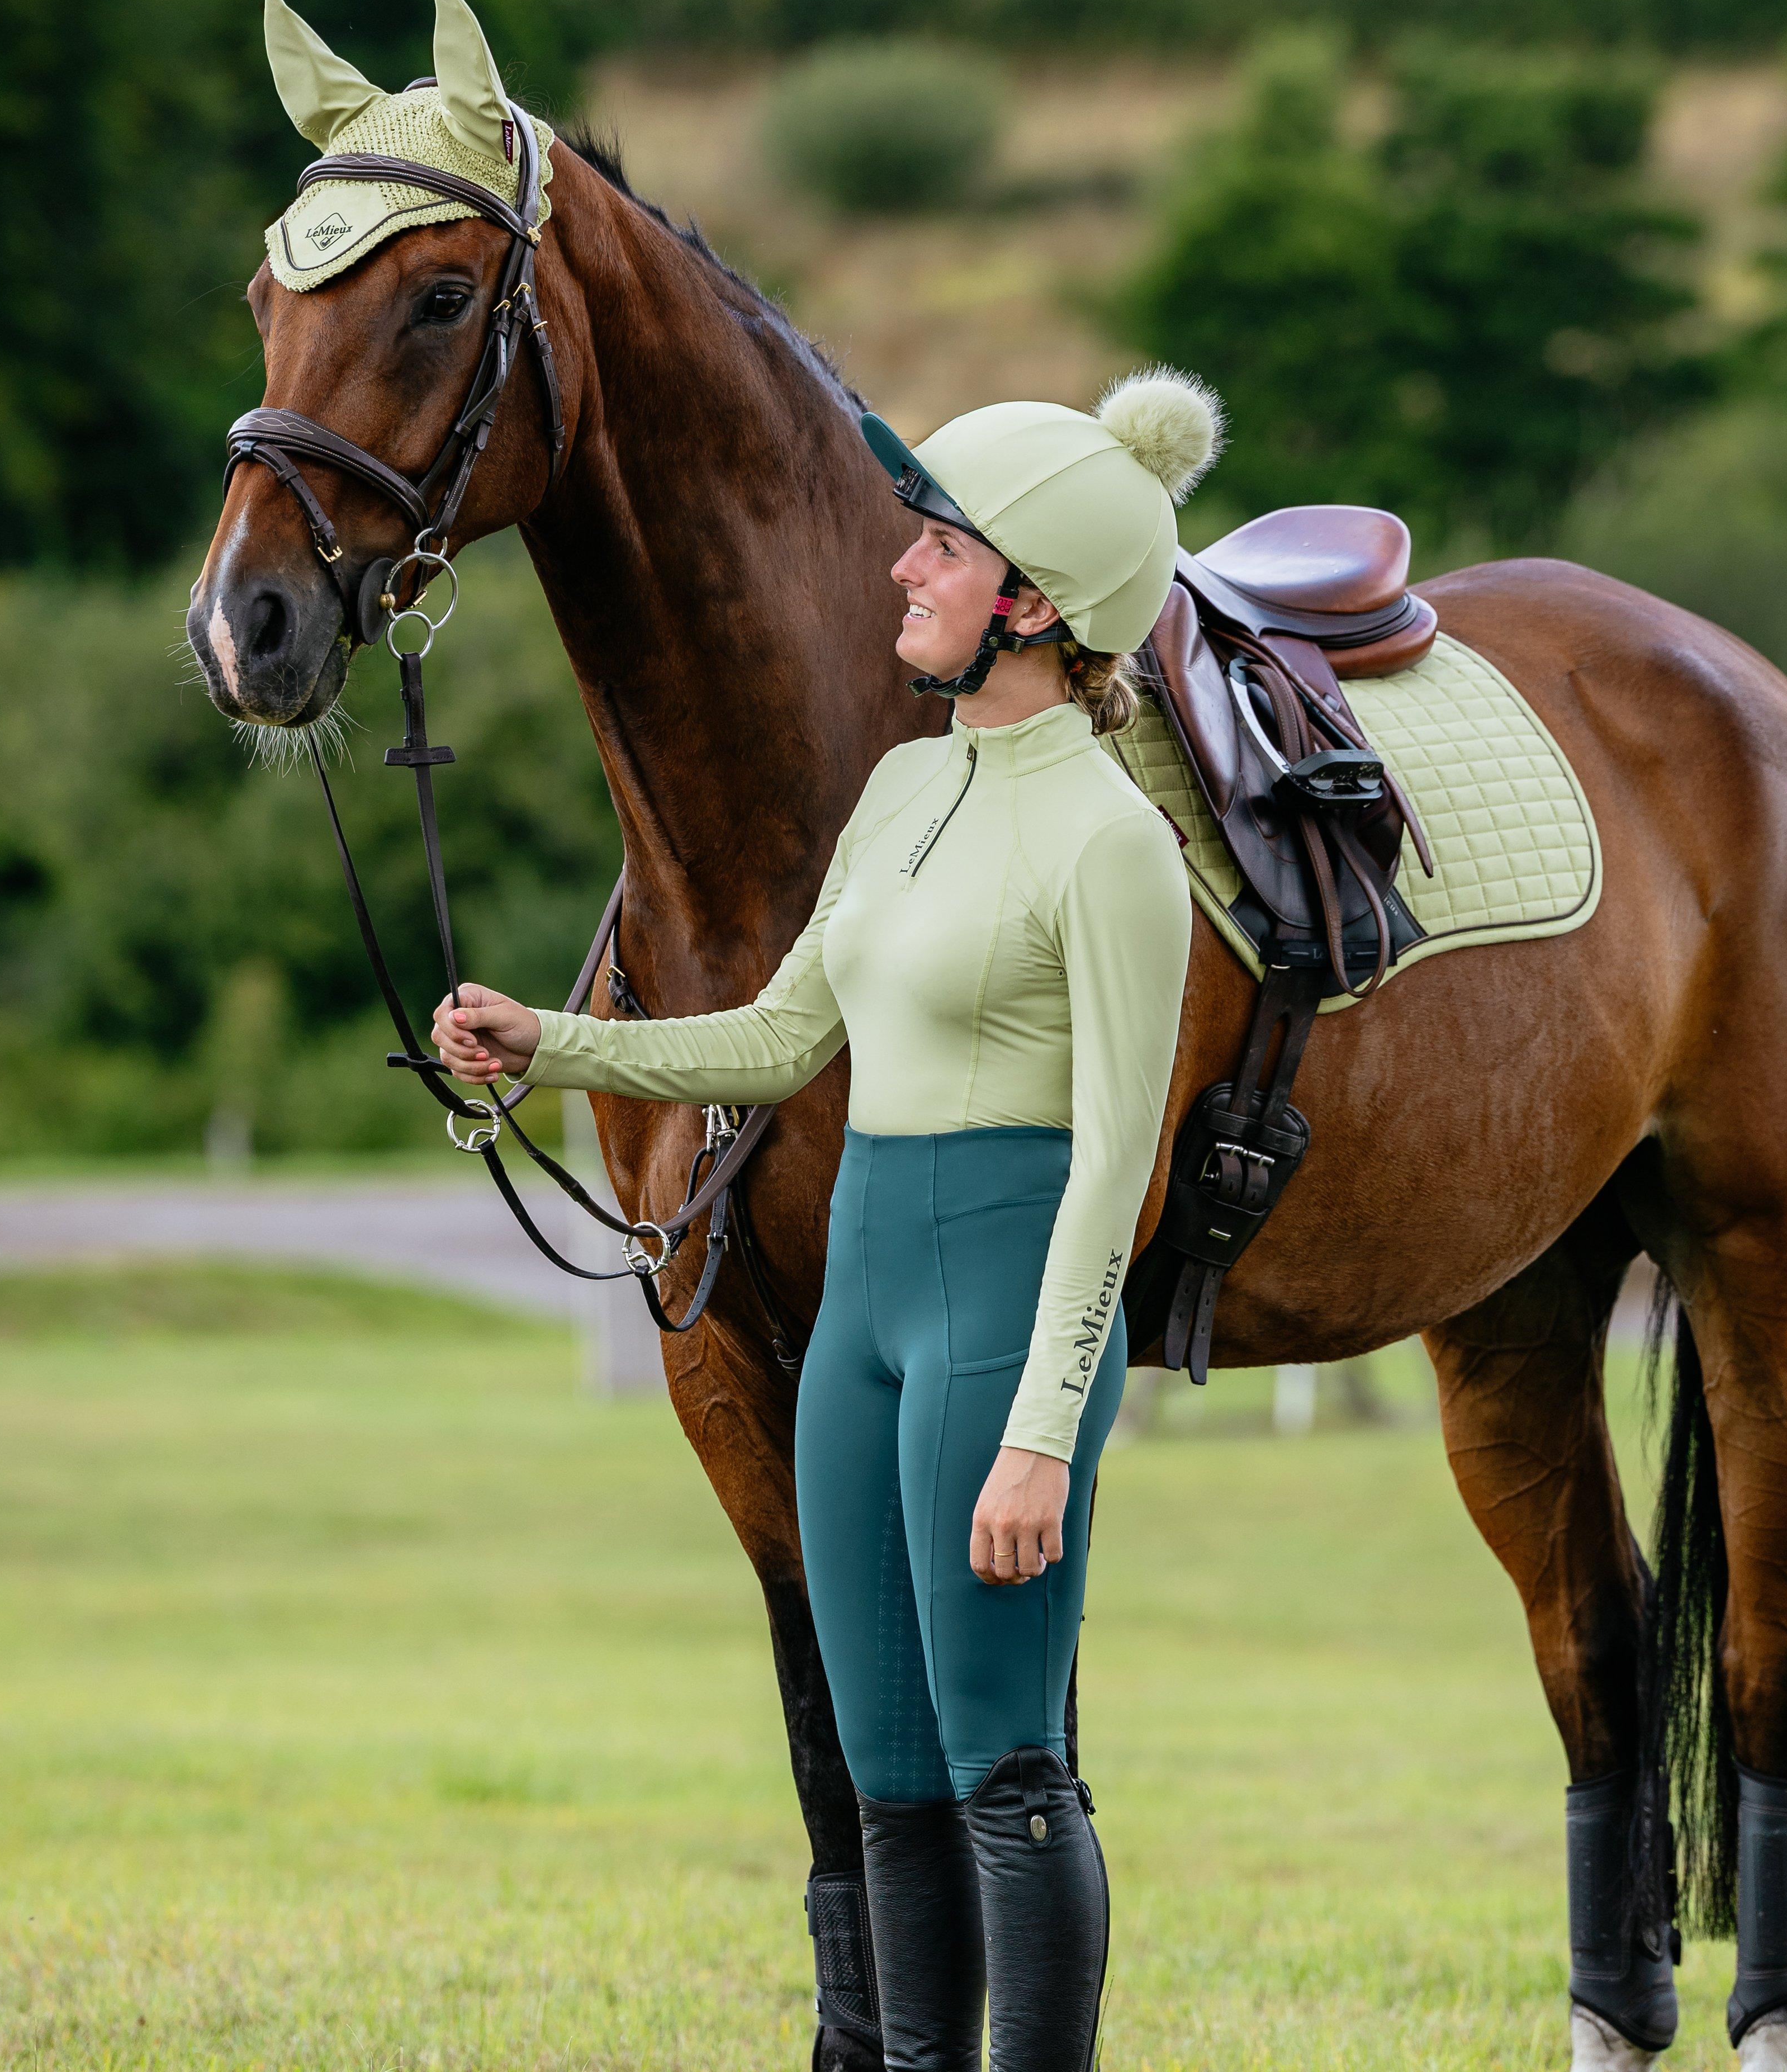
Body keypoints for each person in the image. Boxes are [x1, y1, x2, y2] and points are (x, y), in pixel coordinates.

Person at [430, 368, 1220, 2071]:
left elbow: (1115, 1163)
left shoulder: (1115, 847)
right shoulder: (900, 796)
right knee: (888, 1776)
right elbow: (783, 1041)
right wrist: (548, 1040)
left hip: (1005, 1310)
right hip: (863, 1310)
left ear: (1033, 601)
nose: (901, 569)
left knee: (1010, 1763)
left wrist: (1044, 1428)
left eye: (938, 545)